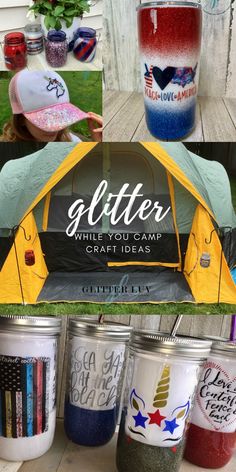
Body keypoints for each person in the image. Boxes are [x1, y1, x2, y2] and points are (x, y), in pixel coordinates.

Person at [0, 70, 103, 142]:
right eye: (45, 119)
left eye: (60, 115)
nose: (55, 128)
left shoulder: (72, 142)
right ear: (21, 120)